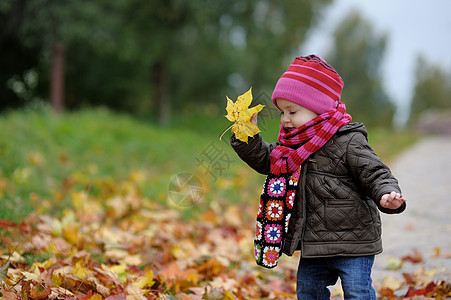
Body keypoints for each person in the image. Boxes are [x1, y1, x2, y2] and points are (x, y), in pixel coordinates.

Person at [230, 55, 406, 299]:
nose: (286, 119)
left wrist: (386, 193)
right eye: (282, 113)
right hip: (314, 243)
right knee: (308, 292)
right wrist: (246, 135)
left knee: (357, 291)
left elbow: (374, 172)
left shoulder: (349, 141)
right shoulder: (290, 146)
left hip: (354, 242)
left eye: (292, 111)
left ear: (319, 108)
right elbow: (266, 160)